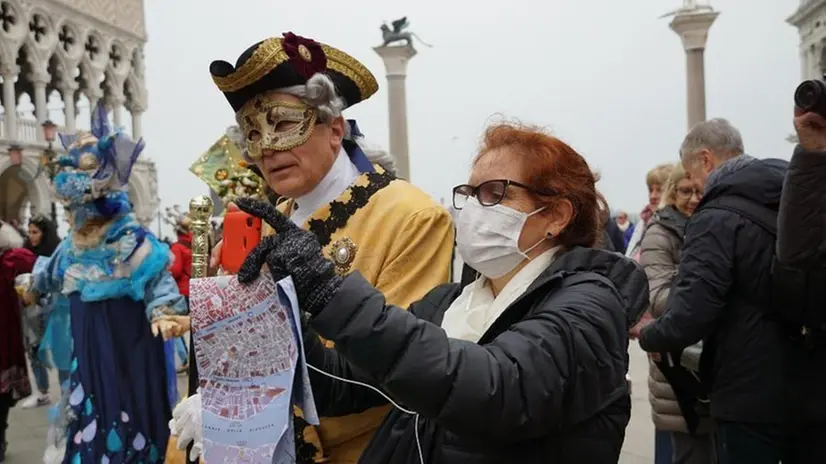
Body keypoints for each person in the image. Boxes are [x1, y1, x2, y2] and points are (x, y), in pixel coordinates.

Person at [175, 121, 649, 462]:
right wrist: (283, 312)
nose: (473, 210)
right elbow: (347, 383)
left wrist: (329, 291)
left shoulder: (590, 303)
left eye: (496, 194)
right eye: (470, 193)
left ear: (557, 215)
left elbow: (493, 388)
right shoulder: (452, 302)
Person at [166, 32, 456, 464]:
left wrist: (252, 412)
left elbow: (399, 368)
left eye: (283, 124)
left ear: (335, 129)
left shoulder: (410, 217)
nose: (266, 148)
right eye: (252, 134)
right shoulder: (268, 222)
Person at [638, 118, 826, 463]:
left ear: (706, 159)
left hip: (749, 390)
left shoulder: (716, 218)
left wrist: (650, 336)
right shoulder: (797, 193)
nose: (696, 188)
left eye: (693, 176)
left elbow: (693, 311)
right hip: (814, 380)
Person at [31, 102, 187, 464]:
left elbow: (156, 279)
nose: (77, 218)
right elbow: (49, 275)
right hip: (87, 348)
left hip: (128, 345)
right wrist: (31, 282)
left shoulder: (130, 239)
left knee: (131, 408)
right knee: (91, 408)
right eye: (72, 211)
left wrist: (163, 310)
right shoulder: (71, 248)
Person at [636, 163, 714, 464]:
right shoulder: (660, 231)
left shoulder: (709, 223)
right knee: (686, 450)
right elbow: (657, 297)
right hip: (676, 365)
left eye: (698, 191)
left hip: (708, 360)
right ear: (673, 192)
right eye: (685, 191)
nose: (693, 198)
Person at [17, 215, 63, 408]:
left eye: (36, 232)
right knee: (34, 350)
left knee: (62, 354)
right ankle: (42, 391)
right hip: (32, 311)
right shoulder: (25, 254)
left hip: (55, 311)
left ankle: (68, 393)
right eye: (29, 232)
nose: (31, 236)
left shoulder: (56, 255)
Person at [0, 222, 37, 462]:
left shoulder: (11, 261)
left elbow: (33, 271)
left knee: (1, 392)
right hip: (5, 335)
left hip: (3, 337)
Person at [625, 163, 674, 261]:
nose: (653, 196)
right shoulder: (643, 221)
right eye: (651, 190)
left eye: (659, 190)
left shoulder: (678, 225)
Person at [167, 207, 193, 372]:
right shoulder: (194, 244)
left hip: (182, 291)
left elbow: (175, 270)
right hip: (195, 289)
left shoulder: (177, 247)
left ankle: (185, 358)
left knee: (173, 322)